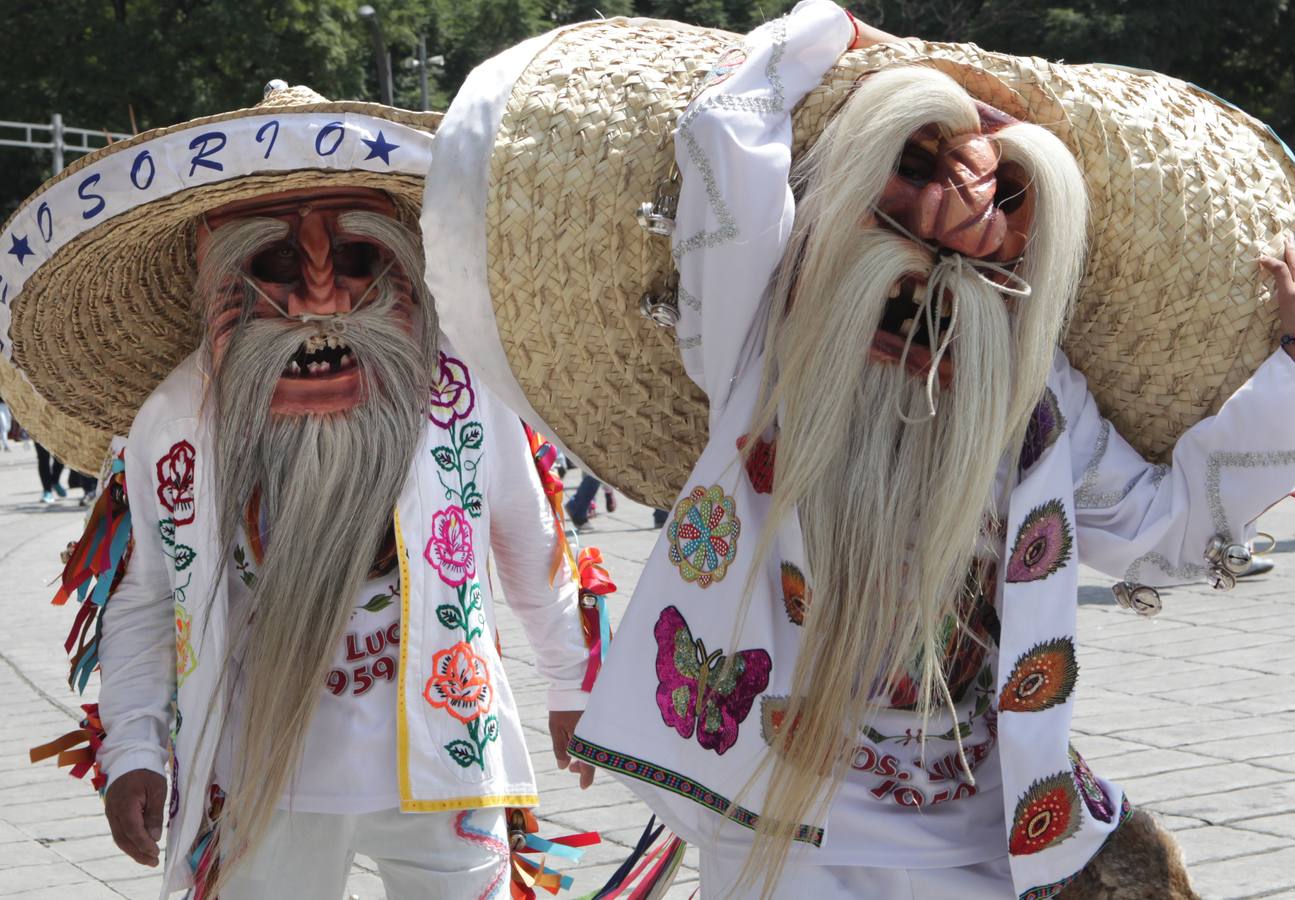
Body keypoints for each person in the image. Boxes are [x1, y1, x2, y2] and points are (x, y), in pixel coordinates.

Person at [541, 3, 1295, 897]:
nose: (950, 219)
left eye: (998, 201)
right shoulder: (759, 328)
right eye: (910, 175)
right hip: (773, 819)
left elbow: (1163, 527)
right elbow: (726, 129)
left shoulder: (1033, 395)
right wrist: (833, 30)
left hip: (978, 826)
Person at [9, 84, 596, 899]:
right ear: (215, 272)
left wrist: (571, 681)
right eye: (278, 263)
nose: (324, 302)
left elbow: (529, 540)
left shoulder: (457, 389)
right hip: (258, 774)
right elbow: (144, 599)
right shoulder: (177, 419)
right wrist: (133, 749)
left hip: (447, 756)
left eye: (358, 260)